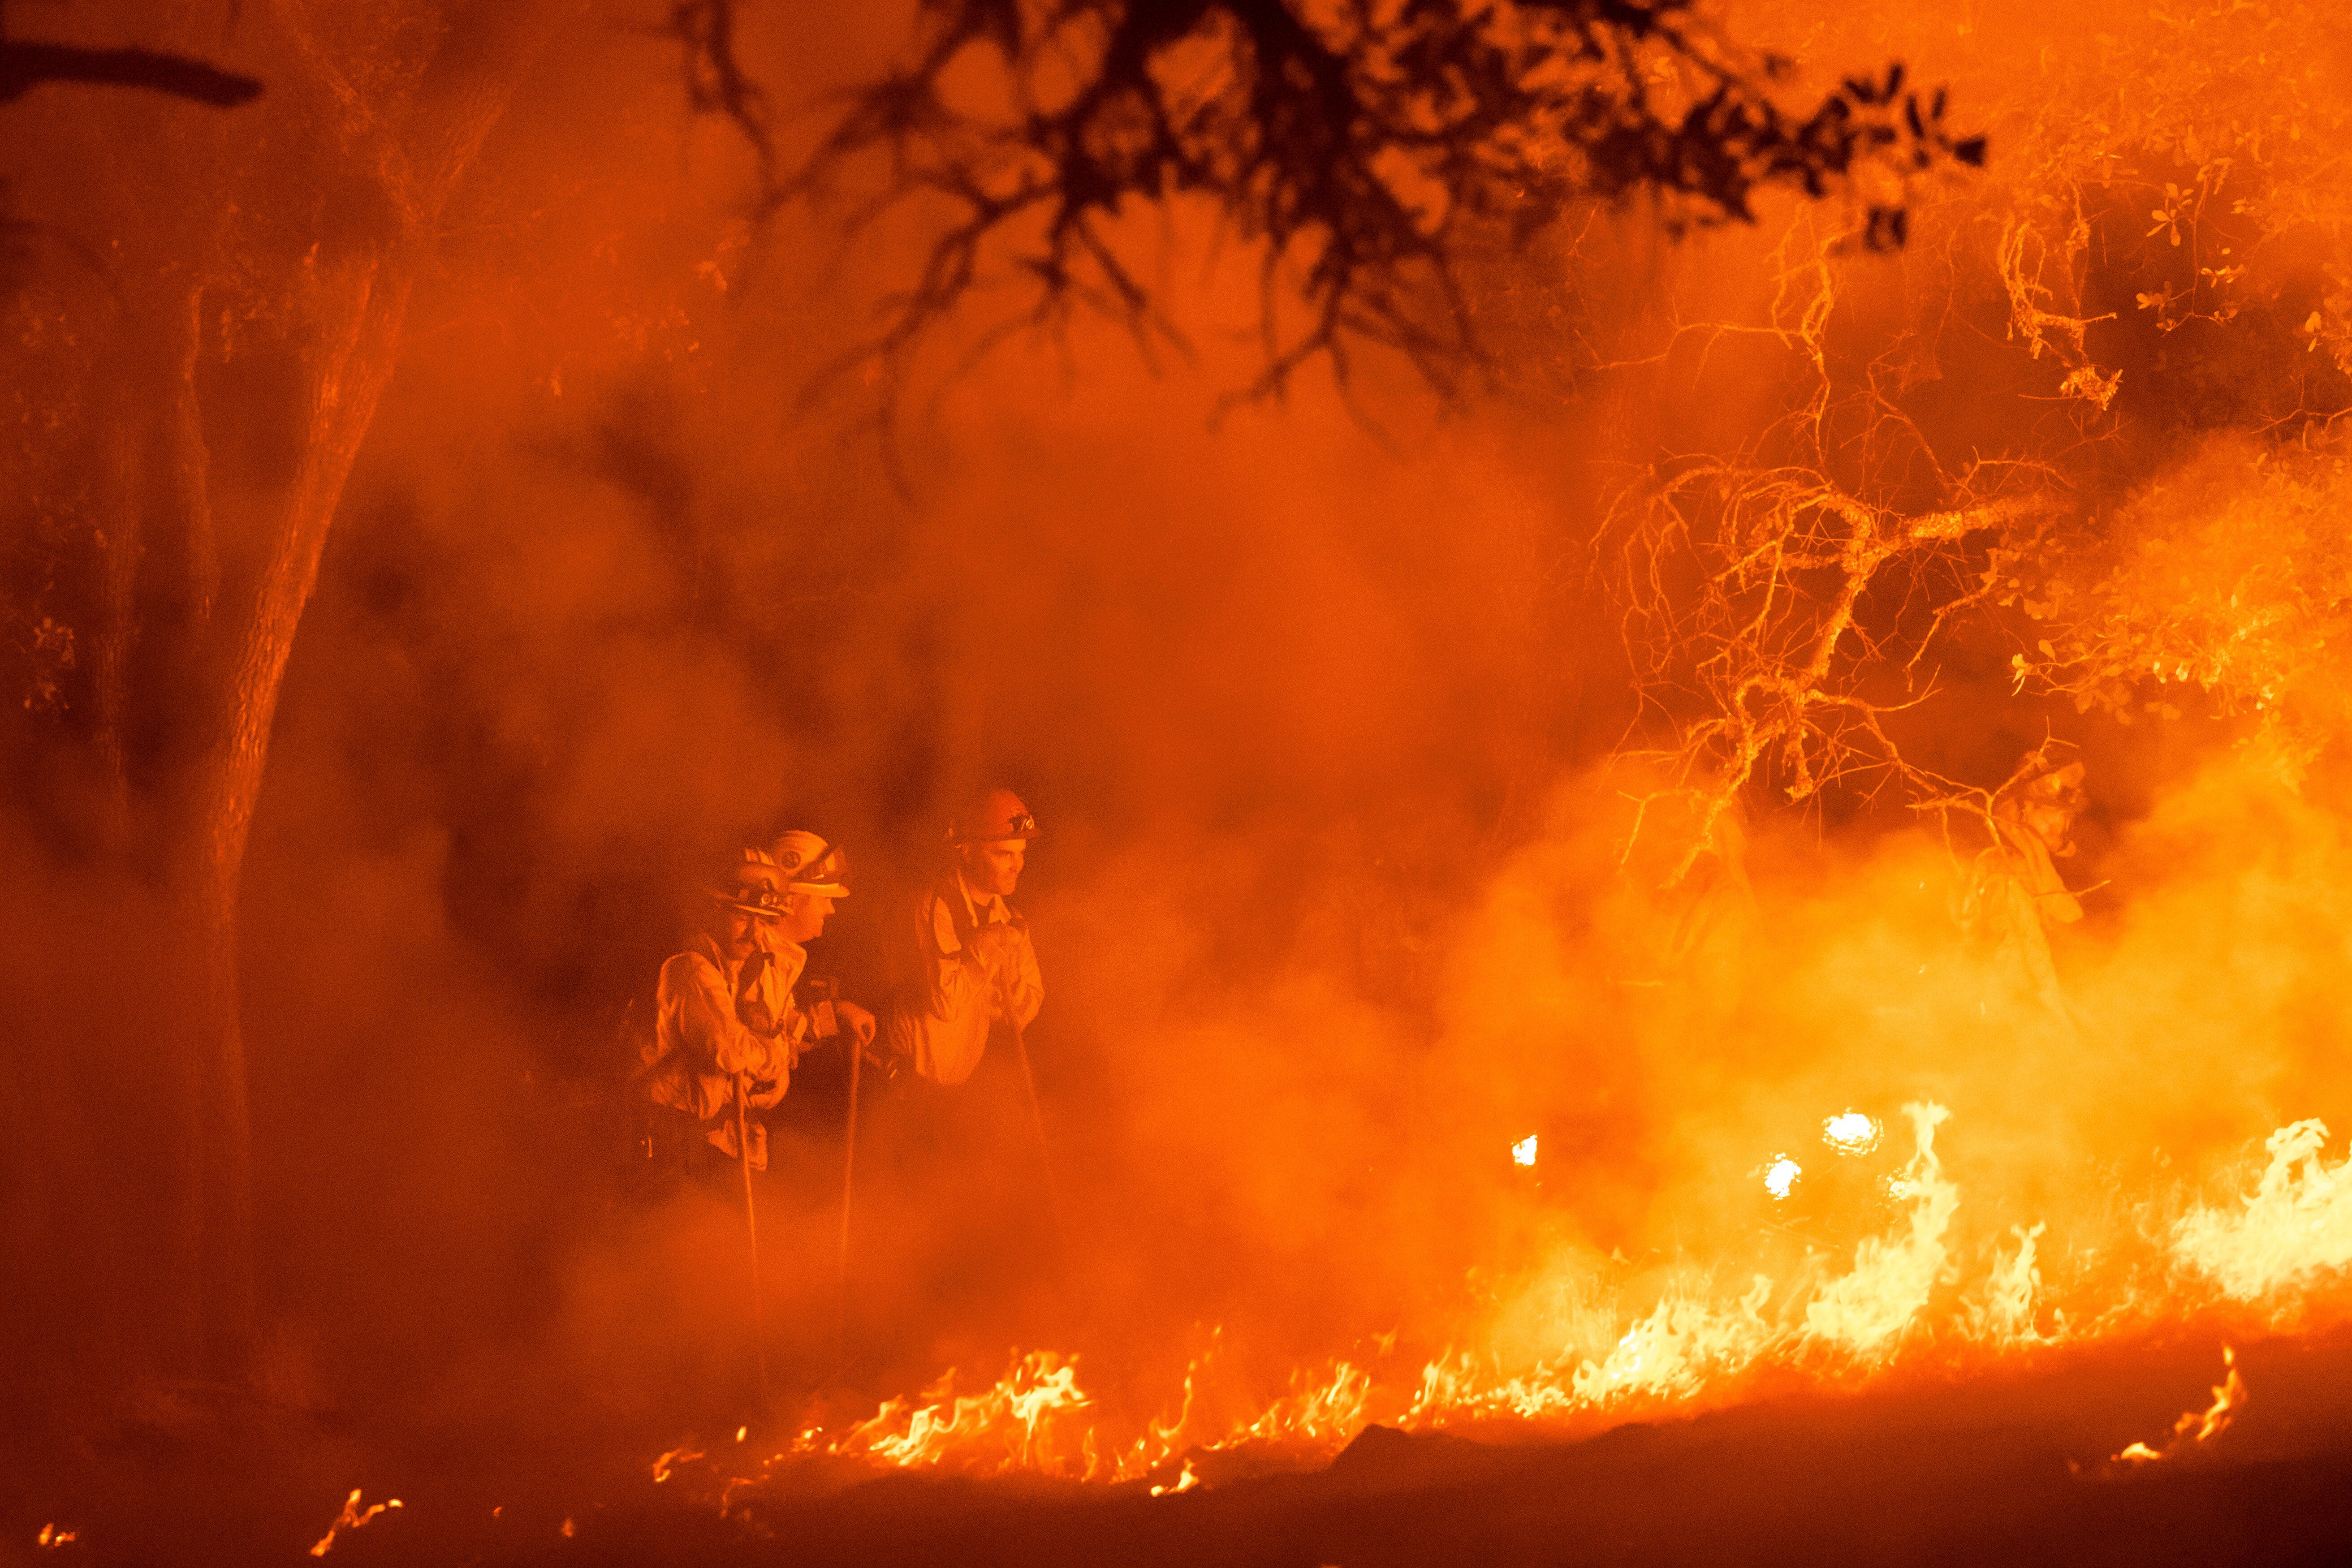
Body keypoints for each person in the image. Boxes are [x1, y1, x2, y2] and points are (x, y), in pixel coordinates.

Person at [641, 832, 876, 1179]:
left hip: (722, 1139)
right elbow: (735, 1049)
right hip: (677, 1144)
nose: (755, 932)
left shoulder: (749, 962)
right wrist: (777, 1054)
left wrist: (833, 1016)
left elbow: (779, 1027)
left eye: (764, 919)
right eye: (742, 916)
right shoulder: (693, 968)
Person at [884, 788, 1044, 1086]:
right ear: (968, 852)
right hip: (908, 1081)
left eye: (1021, 853)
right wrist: (982, 950)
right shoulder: (935, 906)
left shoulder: (1011, 921)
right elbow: (945, 1006)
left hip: (959, 1082)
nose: (1016, 866)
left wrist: (1001, 997)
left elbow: (1024, 1010)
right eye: (1003, 854)